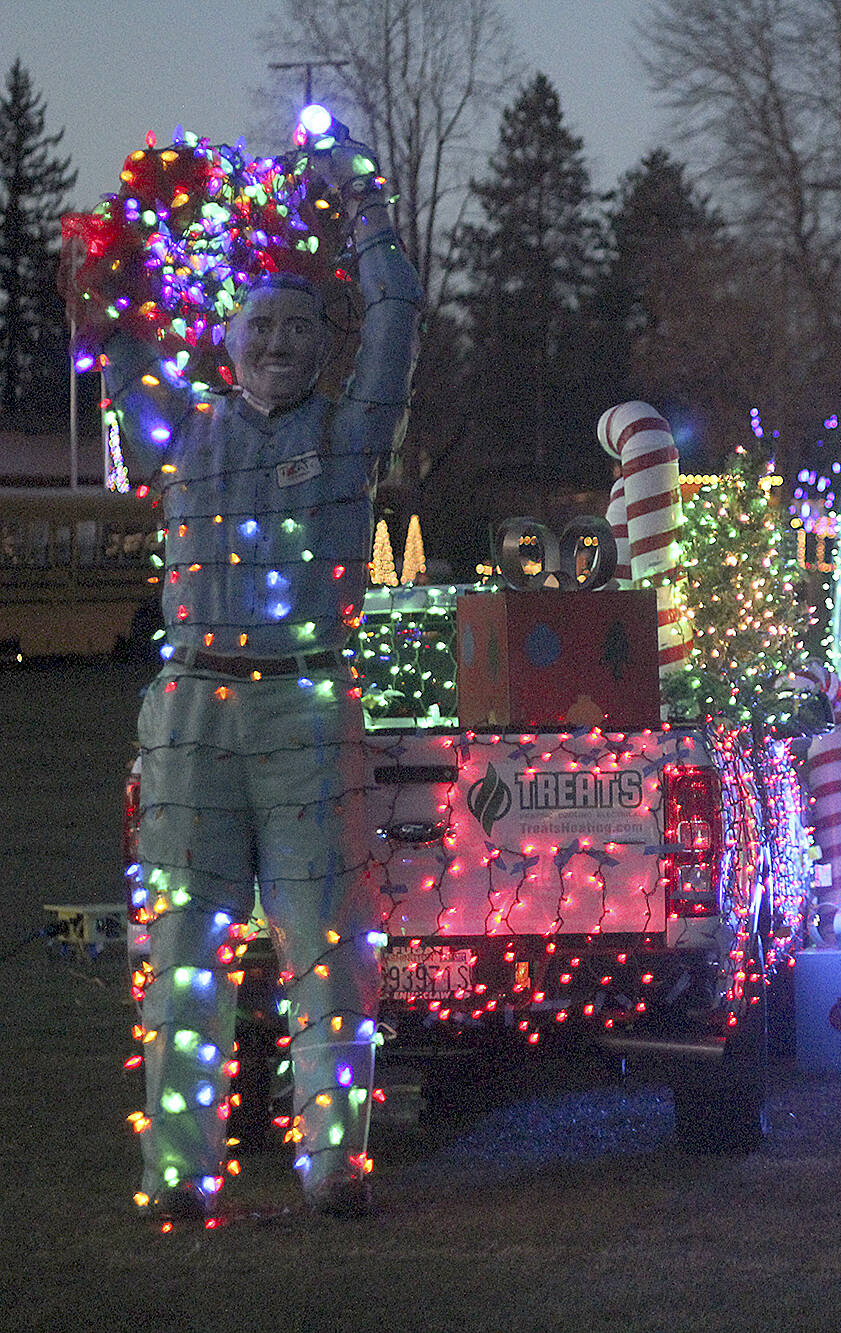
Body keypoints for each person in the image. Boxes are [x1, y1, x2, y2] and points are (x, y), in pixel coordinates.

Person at [84, 137, 422, 1223]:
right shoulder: (178, 429)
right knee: (184, 943)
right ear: (226, 337)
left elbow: (401, 314)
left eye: (298, 327)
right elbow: (122, 337)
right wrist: (123, 252)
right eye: (259, 324)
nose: (278, 342)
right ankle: (177, 1169)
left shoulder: (350, 430)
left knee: (326, 939)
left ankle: (336, 1163)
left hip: (309, 706)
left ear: (328, 344)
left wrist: (361, 198)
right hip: (190, 708)